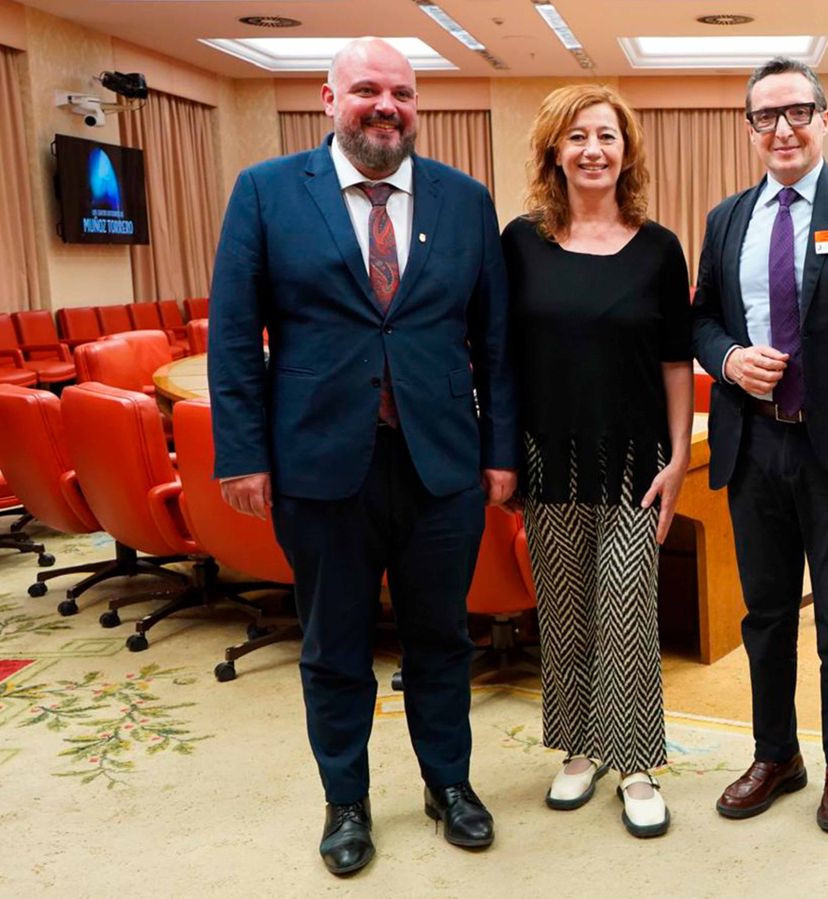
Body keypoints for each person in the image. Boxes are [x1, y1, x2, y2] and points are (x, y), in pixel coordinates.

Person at [209, 37, 515, 876]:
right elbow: (234, 334)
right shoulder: (267, 192)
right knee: (334, 643)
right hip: (318, 461)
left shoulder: (464, 199)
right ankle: (346, 800)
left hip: (440, 462)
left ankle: (448, 783)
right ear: (329, 98)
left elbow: (494, 340)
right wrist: (242, 453)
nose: (387, 106)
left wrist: (499, 448)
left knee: (442, 636)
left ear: (419, 106)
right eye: (368, 90)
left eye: (404, 93)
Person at [693, 58, 828, 834]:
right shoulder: (727, 219)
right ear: (750, 128)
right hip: (753, 447)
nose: (781, 129)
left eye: (796, 112)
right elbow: (702, 318)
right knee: (766, 613)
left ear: (825, 117)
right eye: (765, 116)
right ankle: (776, 752)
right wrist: (726, 358)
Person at [501, 83, 693, 839]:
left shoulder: (658, 247)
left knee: (626, 609)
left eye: (607, 136)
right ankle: (580, 745)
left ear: (626, 151)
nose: (592, 149)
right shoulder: (520, 241)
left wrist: (679, 457)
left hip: (632, 460)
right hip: (548, 457)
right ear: (555, 150)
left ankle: (637, 760)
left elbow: (677, 360)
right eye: (577, 136)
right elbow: (502, 356)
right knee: (567, 611)